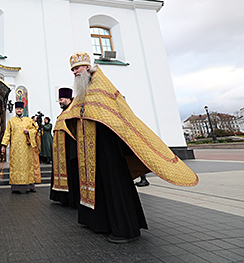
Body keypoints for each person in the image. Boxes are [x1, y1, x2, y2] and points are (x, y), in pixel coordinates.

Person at [51, 52, 198, 243]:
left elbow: (115, 116)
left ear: (87, 67)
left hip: (107, 148)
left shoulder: (101, 86)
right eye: (72, 70)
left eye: (77, 68)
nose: (75, 72)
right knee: (98, 185)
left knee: (113, 183)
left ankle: (123, 229)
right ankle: (97, 222)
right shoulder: (83, 92)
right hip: (90, 150)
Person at [1, 102, 41, 193]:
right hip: (15, 149)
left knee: (27, 166)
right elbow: (7, 133)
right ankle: (16, 187)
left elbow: (35, 129)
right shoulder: (11, 121)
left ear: (23, 110)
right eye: (17, 109)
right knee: (16, 166)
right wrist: (4, 145)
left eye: (20, 109)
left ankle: (29, 186)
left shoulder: (28, 120)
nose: (19, 110)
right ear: (15, 110)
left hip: (26, 149)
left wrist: (29, 131)